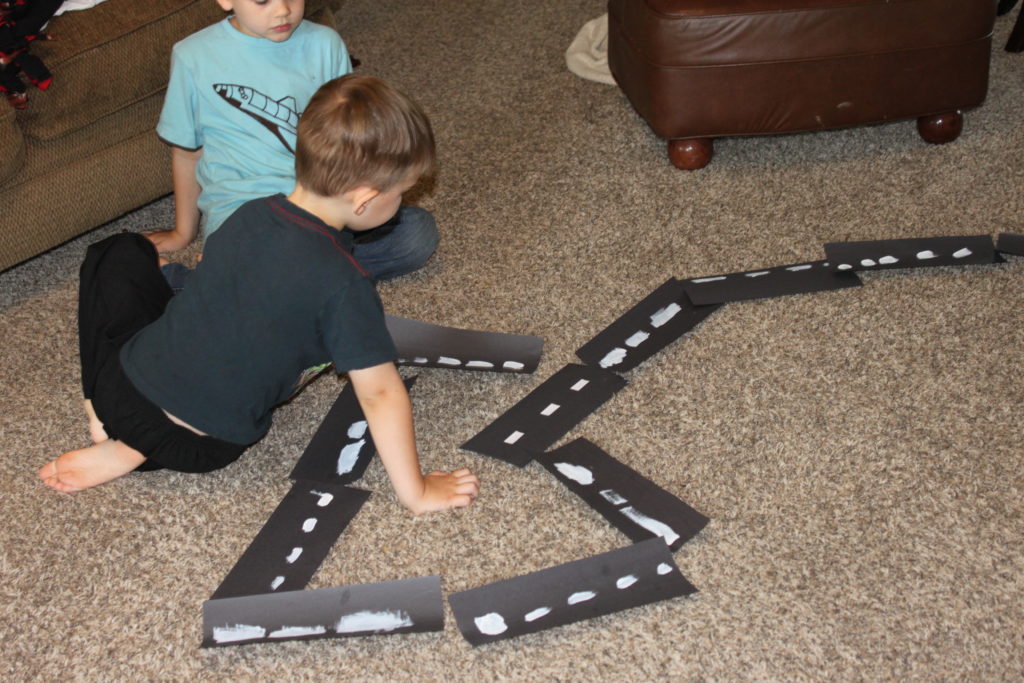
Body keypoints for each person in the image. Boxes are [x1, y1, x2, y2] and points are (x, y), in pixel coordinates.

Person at [38, 74, 480, 515]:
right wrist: (417, 491)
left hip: (122, 391)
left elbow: (217, 291)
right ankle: (130, 445)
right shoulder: (346, 286)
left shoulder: (251, 213)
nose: (402, 204)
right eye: (401, 194)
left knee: (117, 252)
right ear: (363, 199)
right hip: (204, 444)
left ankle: (106, 417)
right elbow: (380, 394)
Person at [147, 0, 438, 283]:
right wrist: (183, 232)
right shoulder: (192, 56)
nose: (283, 10)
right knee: (274, 260)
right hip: (247, 215)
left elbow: (350, 135)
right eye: (263, 1)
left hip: (327, 203)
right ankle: (191, 283)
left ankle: (268, 281)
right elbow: (187, 153)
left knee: (415, 234)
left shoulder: (325, 43)